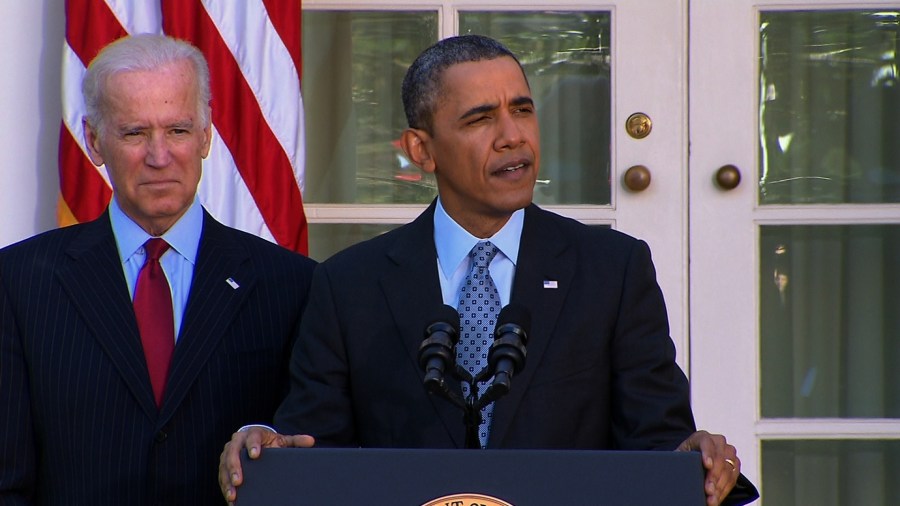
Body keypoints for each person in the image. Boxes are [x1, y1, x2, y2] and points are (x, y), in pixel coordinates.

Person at [219, 35, 754, 506]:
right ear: (420, 150)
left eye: (522, 110)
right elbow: (312, 451)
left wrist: (694, 459)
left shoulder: (613, 270)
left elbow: (659, 448)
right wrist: (271, 448)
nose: (512, 136)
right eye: (480, 118)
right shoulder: (348, 285)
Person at [0, 34, 316, 504]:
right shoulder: (20, 280)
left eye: (178, 131)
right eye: (134, 133)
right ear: (94, 140)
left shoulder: (291, 284)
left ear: (206, 136)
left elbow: (310, 448)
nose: (159, 156)